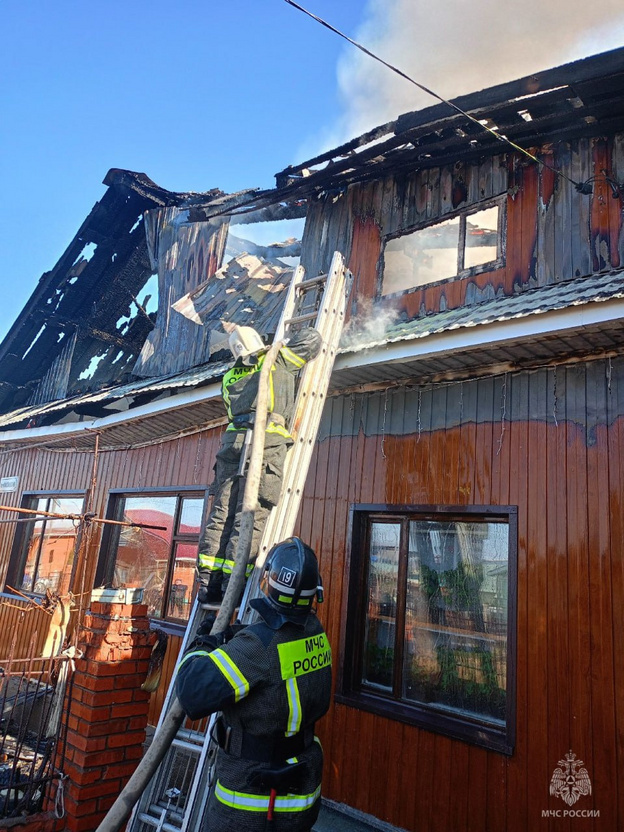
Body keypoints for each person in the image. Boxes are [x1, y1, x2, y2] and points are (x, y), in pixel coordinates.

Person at [177, 537, 332, 832]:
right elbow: (274, 649)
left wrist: (202, 644)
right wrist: (236, 637)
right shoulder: (314, 631)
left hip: (251, 801)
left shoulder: (257, 649)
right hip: (301, 792)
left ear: (268, 582)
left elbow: (191, 692)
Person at [197, 325, 322, 605]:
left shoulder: (229, 377)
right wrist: (283, 342)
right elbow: (313, 339)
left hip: (232, 445)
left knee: (222, 514)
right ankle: (233, 586)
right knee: (249, 516)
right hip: (265, 443)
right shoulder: (277, 359)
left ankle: (208, 584)